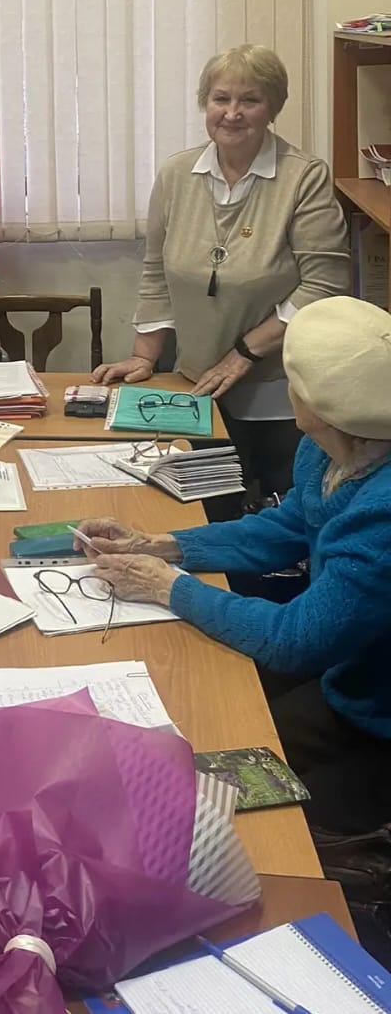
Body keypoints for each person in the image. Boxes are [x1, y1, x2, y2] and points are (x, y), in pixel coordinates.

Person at [83, 296, 391, 837]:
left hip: (374, 711)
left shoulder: (380, 514)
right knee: (201, 742)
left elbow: (294, 640)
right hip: (350, 673)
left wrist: (169, 588)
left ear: (314, 403)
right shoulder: (330, 446)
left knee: (255, 831)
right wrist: (162, 545)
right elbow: (288, 526)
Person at [92, 45, 348, 497]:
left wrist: (244, 353)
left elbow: (323, 287)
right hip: (195, 384)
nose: (232, 113)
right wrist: (145, 357)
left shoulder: (304, 178)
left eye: (250, 100)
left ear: (273, 108)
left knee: (283, 509)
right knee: (203, 503)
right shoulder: (176, 174)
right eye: (220, 99)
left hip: (282, 392)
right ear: (204, 103)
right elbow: (156, 272)